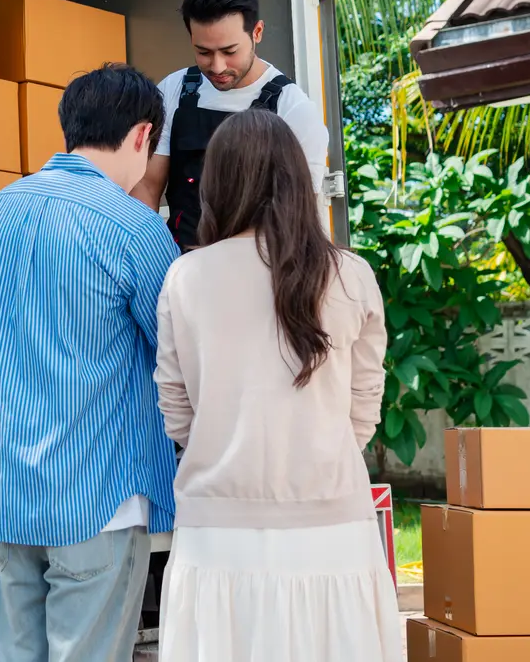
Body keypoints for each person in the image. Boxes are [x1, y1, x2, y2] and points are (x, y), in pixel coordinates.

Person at [153, 108, 400, 662]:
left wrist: (225, 448)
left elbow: (176, 408)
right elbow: (364, 405)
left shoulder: (187, 276)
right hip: (334, 526)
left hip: (217, 532)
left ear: (218, 184)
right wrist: (316, 453)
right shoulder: (351, 274)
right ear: (297, 179)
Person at [0, 63, 180, 662]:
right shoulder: (134, 226)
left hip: (15, 497)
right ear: (142, 136)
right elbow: (176, 356)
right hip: (100, 499)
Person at [133, 0, 330, 250]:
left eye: (229, 51)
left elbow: (299, 215)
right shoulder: (174, 89)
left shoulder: (293, 109)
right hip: (180, 264)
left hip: (255, 269)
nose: (217, 66)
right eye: (203, 52)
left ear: (257, 33)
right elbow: (146, 186)